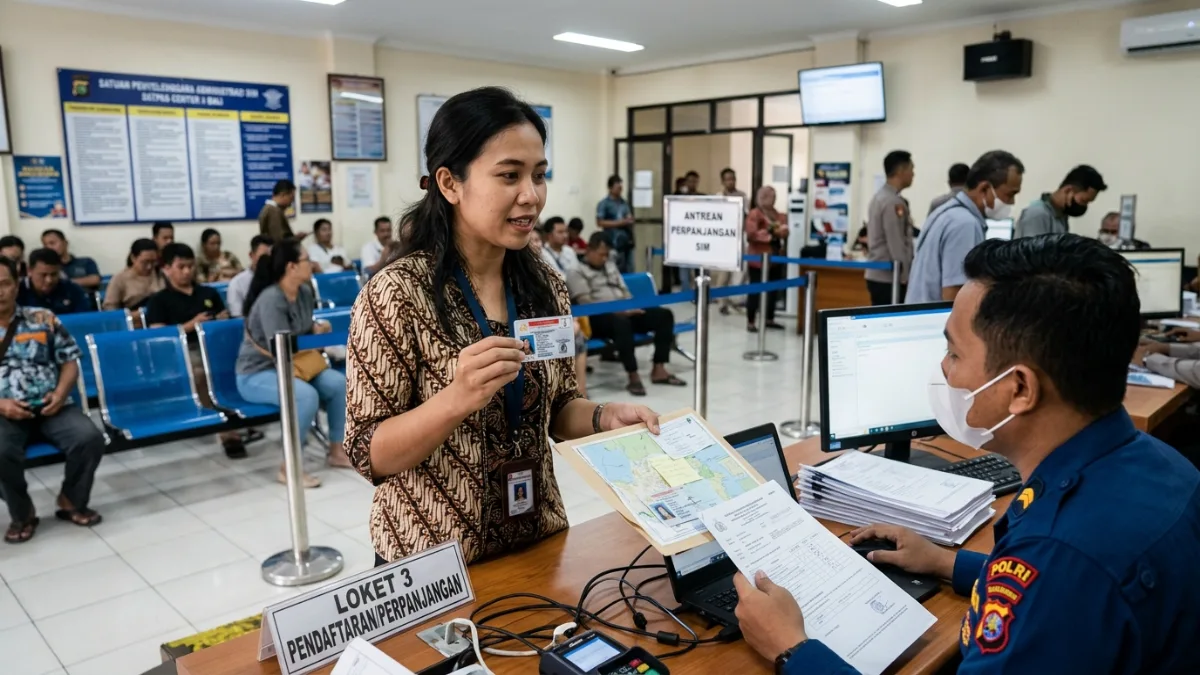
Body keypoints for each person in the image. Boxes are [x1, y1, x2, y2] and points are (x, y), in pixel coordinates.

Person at [734, 233, 1200, 674]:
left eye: (954, 353)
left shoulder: (1061, 560)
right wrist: (946, 562)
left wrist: (792, 649)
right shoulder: (1166, 466)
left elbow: (1058, 588)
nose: (942, 368)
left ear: (1019, 389)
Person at [345, 87, 659, 565]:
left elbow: (558, 405)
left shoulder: (544, 285)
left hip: (538, 539)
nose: (531, 195)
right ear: (450, 183)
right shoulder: (396, 294)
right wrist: (456, 398)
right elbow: (369, 453)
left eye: (539, 175)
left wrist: (602, 417)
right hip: (433, 564)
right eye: (509, 175)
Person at [0, 256, 107, 543]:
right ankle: (22, 512)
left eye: (4, 284)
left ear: (16, 285)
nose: (0, 292)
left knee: (89, 438)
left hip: (52, 405)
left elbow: (69, 361)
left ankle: (71, 499)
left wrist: (60, 394)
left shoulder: (43, 318)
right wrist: (2, 405)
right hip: (4, 411)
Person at [237, 238, 348, 487]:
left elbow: (303, 331)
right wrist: (313, 338)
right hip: (258, 372)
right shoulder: (271, 299)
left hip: (297, 365)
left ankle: (337, 450)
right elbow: (280, 347)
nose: (312, 263)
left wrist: (318, 329)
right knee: (305, 396)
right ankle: (289, 466)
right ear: (291, 267)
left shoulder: (305, 292)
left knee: (338, 384)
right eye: (306, 259)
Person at [144, 243, 244, 457]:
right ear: (166, 269)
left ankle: (236, 413)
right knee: (202, 372)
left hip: (213, 346)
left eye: (190, 266)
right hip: (181, 352)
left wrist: (220, 321)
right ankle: (225, 429)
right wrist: (191, 325)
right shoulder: (159, 300)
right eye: (181, 267)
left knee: (241, 362)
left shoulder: (208, 292)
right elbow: (158, 336)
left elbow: (224, 317)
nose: (187, 271)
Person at [569, 232, 685, 396]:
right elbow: (586, 302)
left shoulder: (610, 265)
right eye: (601, 254)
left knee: (664, 315)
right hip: (597, 317)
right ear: (589, 250)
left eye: (607, 254)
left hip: (624, 311)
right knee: (621, 323)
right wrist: (619, 310)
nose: (604, 258)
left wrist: (631, 306)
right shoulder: (575, 271)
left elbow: (624, 290)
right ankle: (633, 374)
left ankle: (659, 368)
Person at [906, 150, 1025, 304]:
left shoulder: (947, 212)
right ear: (984, 188)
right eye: (1009, 194)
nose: (1012, 202)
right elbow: (955, 295)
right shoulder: (965, 224)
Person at [535, 218, 589, 398]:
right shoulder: (525, 270)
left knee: (577, 336)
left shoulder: (543, 268)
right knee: (568, 335)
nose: (536, 245)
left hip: (557, 311)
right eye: (532, 241)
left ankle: (580, 393)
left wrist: (567, 319)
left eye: (537, 240)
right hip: (532, 326)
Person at [865, 150, 915, 305]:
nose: (913, 174)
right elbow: (896, 242)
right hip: (889, 278)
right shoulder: (892, 202)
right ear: (900, 171)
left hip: (880, 275)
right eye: (911, 169)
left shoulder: (880, 197)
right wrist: (905, 275)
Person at [1014, 165, 1106, 239]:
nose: (1085, 206)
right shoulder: (1037, 215)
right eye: (1084, 201)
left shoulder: (1060, 216)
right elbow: (1031, 253)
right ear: (1068, 190)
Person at [744, 186, 790, 331]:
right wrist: (771, 234)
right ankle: (751, 321)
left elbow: (785, 231)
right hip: (757, 259)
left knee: (773, 290)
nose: (773, 199)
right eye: (771, 196)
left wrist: (780, 232)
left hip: (776, 257)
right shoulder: (754, 213)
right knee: (755, 290)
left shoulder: (778, 214)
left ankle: (769, 319)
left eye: (775, 196)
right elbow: (751, 234)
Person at [712, 168, 749, 315]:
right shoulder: (718, 197)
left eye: (733, 178)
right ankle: (722, 302)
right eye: (727, 179)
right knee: (724, 272)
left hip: (738, 237)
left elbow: (746, 216)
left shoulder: (742, 196)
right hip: (723, 239)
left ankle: (736, 300)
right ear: (722, 181)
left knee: (739, 272)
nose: (731, 182)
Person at [17, 249, 91, 315]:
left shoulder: (73, 290)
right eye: (43, 275)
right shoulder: (17, 291)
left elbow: (84, 319)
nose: (49, 280)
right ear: (29, 271)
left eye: (54, 274)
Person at [102, 239, 165, 311]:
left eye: (153, 262)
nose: (149, 266)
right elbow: (110, 308)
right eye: (145, 262)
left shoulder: (161, 274)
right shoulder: (120, 278)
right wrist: (131, 315)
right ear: (133, 258)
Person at [596, 174, 635, 273]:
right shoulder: (604, 204)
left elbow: (628, 216)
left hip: (627, 241)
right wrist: (619, 223)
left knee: (629, 268)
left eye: (621, 188)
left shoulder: (624, 203)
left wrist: (629, 219)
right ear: (610, 188)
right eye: (618, 188)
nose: (620, 190)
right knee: (615, 269)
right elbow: (600, 222)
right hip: (613, 242)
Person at [227, 235, 273, 318]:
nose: (268, 261)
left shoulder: (280, 279)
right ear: (251, 255)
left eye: (271, 257)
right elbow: (238, 317)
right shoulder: (237, 284)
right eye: (263, 257)